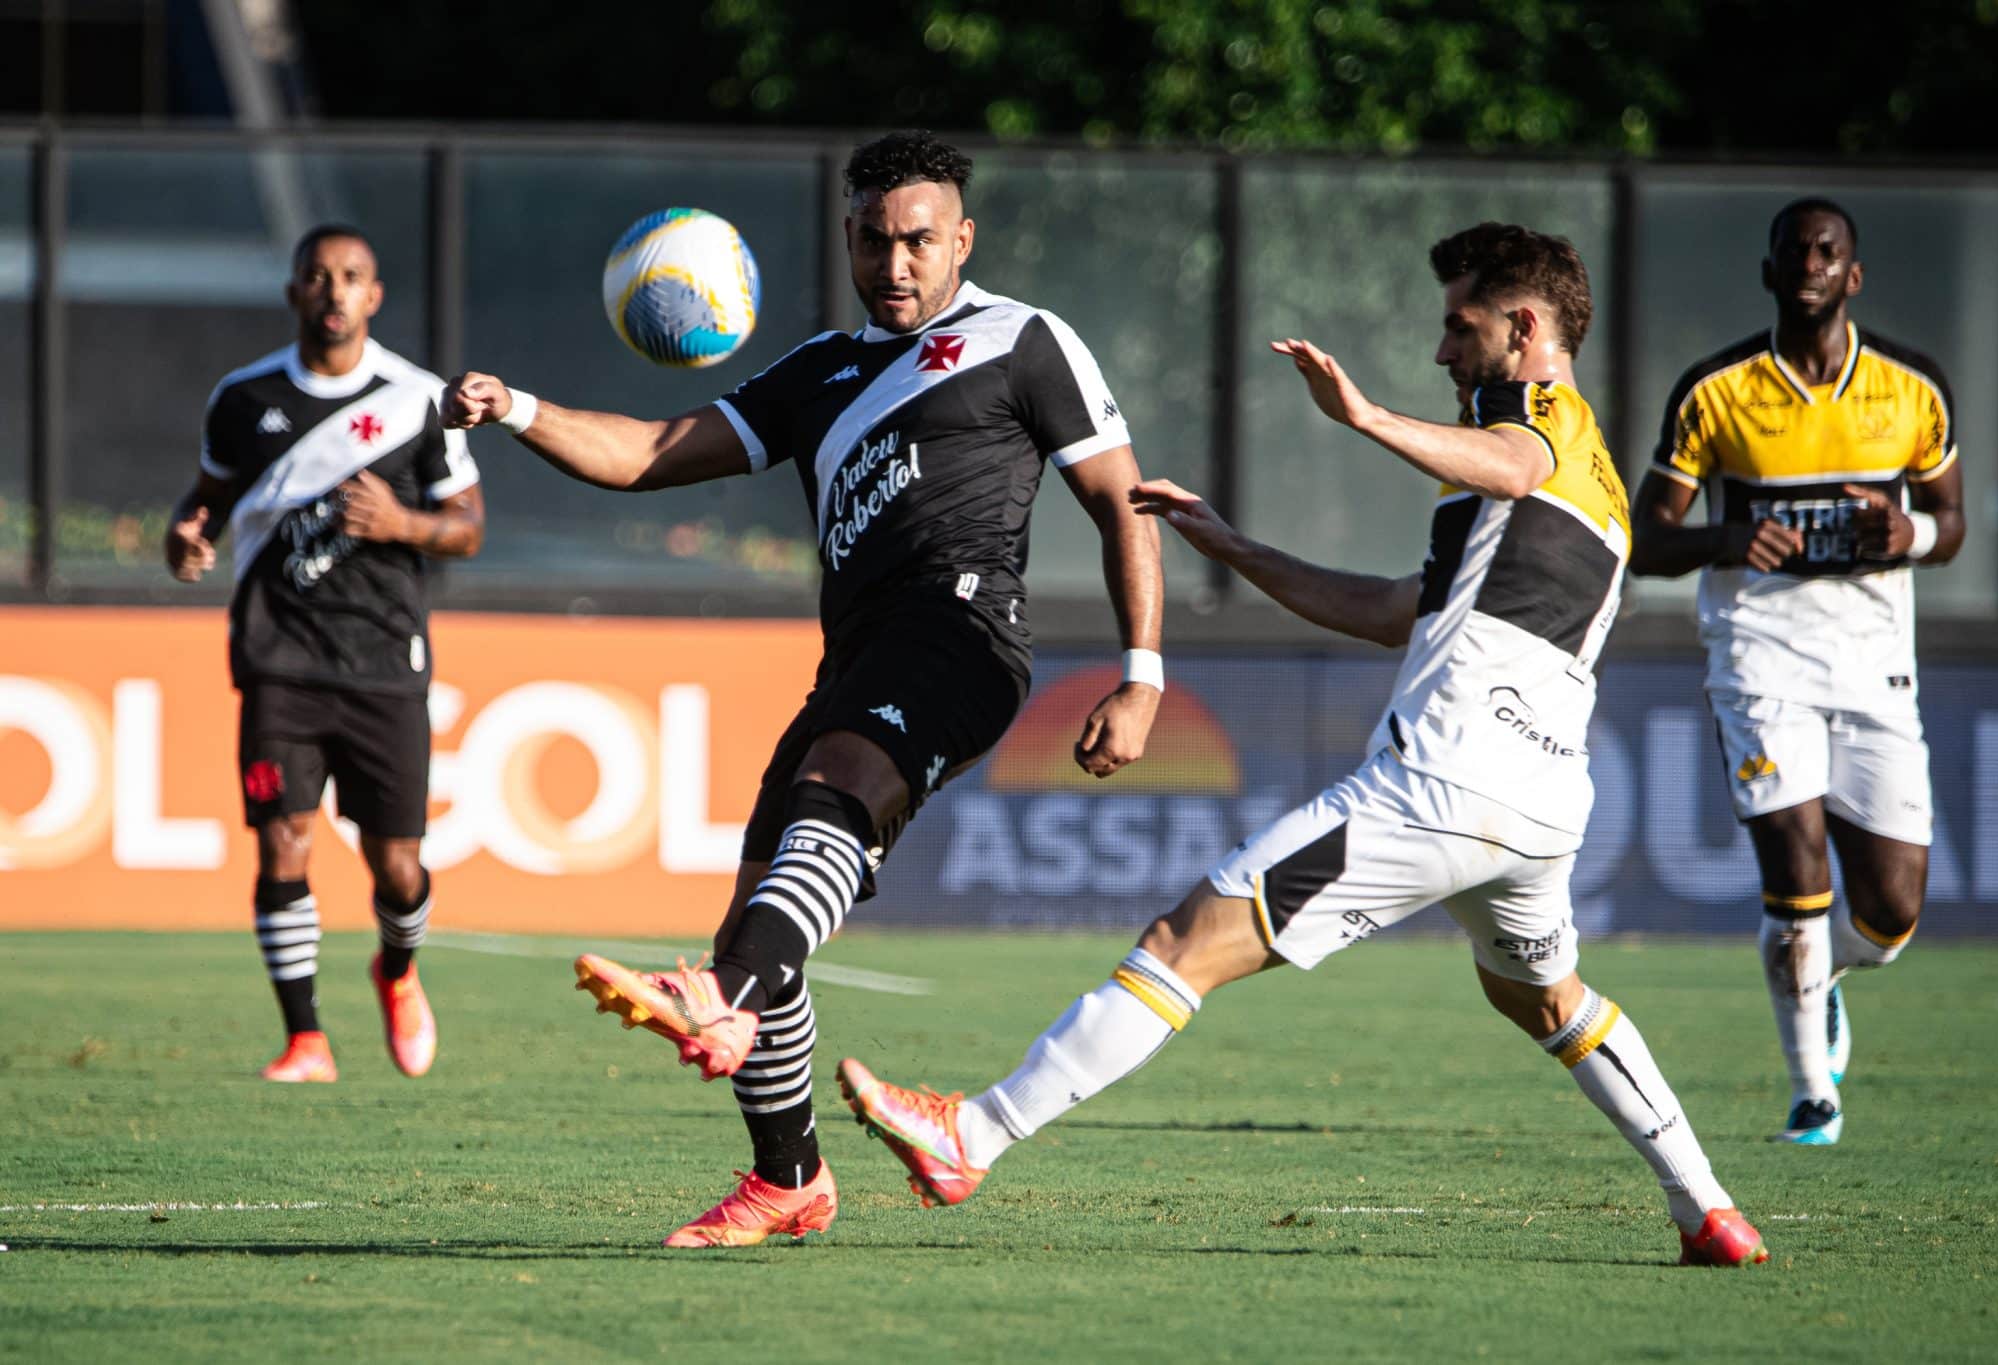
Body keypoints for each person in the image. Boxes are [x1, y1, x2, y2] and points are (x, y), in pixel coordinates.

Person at [838, 222, 1767, 1267]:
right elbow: (1391, 611)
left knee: (1182, 944)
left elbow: (1511, 461)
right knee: (1539, 994)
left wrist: (1364, 417)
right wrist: (1234, 547)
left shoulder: (1536, 426)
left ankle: (973, 1135)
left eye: (1458, 328)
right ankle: (1708, 1211)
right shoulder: (1577, 483)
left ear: (1523, 325)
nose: (1440, 353)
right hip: (1543, 805)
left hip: (1443, 784)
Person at [440, 129, 1163, 1247]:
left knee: (836, 787)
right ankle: (790, 1178)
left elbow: (1122, 502)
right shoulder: (816, 373)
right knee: (758, 904)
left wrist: (1140, 674)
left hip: (966, 632)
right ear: (847, 241)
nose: (896, 263)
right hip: (858, 655)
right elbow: (642, 452)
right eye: (874, 241)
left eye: (919, 239)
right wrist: (519, 410)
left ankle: (721, 998)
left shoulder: (1021, 341)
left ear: (960, 238)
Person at [1628, 199, 1964, 1146]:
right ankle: (1812, 1094)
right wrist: (1729, 537)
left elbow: (1953, 524)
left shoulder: (1912, 391)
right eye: (1795, 252)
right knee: (1795, 862)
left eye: (1830, 252)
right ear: (1769, 272)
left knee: (1892, 911)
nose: (1812, 263)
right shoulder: (1717, 393)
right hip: (1759, 652)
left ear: (1853, 276)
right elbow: (1648, 540)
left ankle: (1831, 973)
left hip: (1873, 664)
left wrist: (1914, 532)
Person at [165, 226, 484, 1083]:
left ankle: (398, 968)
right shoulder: (243, 398)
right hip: (278, 656)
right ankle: (305, 1038)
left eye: (352, 278)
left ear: (374, 296)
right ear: (294, 293)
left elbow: (469, 527)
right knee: (284, 841)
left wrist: (403, 523)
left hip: (384, 657)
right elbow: (206, 502)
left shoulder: (420, 399)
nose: (335, 291)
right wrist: (185, 537)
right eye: (318, 277)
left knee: (399, 866)